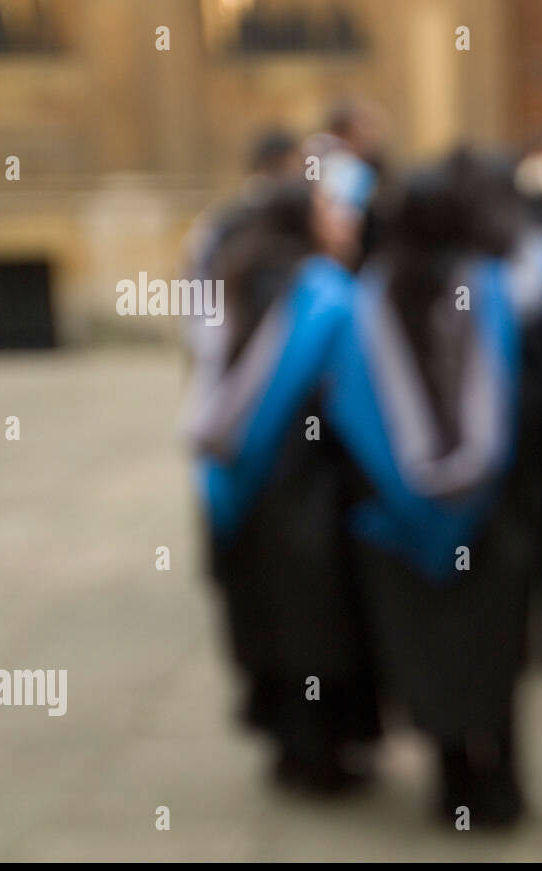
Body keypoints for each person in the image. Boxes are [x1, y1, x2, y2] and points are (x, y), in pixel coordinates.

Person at [325, 151, 542, 826]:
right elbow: (525, 410)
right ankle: (502, 785)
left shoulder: (366, 299)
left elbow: (345, 416)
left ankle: (452, 785)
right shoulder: (495, 292)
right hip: (493, 516)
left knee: (430, 654)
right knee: (494, 656)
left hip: (396, 522)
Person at [186, 182, 381, 793]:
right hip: (308, 485)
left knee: (269, 616)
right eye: (332, 209)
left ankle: (289, 746)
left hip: (246, 483)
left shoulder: (242, 275)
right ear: (303, 221)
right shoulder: (324, 293)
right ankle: (322, 753)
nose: (347, 217)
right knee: (317, 624)